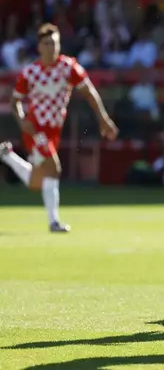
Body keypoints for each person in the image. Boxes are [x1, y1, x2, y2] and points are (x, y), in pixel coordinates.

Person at [0, 24, 118, 232]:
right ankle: (54, 222)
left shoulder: (68, 67)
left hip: (54, 131)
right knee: (54, 169)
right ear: (39, 47)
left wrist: (103, 118)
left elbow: (89, 92)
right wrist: (21, 121)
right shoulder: (30, 72)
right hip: (35, 130)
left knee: (38, 181)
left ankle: (7, 156)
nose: (51, 47)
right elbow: (15, 101)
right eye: (47, 43)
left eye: (54, 43)